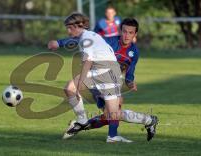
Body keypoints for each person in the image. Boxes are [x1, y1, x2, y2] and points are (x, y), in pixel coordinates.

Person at [48, 18, 158, 142]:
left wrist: (130, 82)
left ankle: (147, 120)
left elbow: (130, 71)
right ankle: (87, 124)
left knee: (110, 115)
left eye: (130, 32)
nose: (127, 35)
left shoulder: (134, 52)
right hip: (96, 75)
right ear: (120, 31)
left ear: (135, 34)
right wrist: (59, 43)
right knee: (72, 88)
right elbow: (81, 38)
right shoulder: (109, 41)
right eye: (124, 31)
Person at [53, 12, 132, 143]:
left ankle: (113, 135)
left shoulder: (86, 38)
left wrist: (80, 85)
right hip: (98, 70)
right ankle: (82, 119)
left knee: (112, 112)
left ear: (78, 25)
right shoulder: (86, 36)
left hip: (108, 72)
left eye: (69, 27)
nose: (67, 31)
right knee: (69, 88)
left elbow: (87, 61)